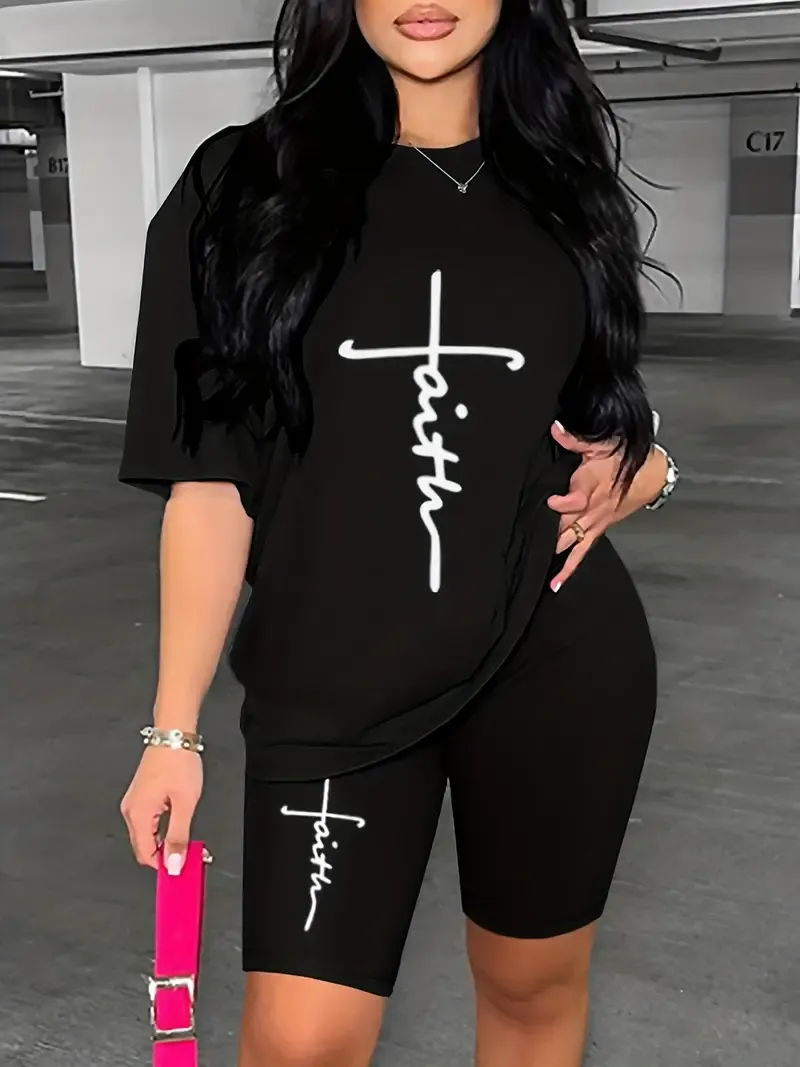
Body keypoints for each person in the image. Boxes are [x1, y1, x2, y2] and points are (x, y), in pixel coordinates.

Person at [119, 2, 679, 1065]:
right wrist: (172, 731)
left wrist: (646, 466)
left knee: (530, 988)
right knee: (300, 1041)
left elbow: (597, 415)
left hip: (554, 656)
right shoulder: (243, 184)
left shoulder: (562, 185)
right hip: (333, 677)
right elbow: (209, 481)